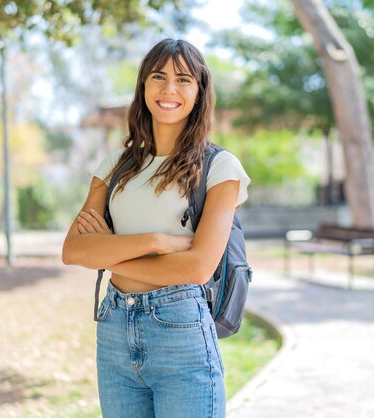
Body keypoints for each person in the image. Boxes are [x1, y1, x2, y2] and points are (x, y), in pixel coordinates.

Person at [62, 39, 251, 418]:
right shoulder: (115, 165)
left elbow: (197, 267)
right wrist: (157, 241)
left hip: (180, 326)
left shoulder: (220, 167)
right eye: (158, 76)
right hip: (114, 325)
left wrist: (110, 252)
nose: (169, 89)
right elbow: (73, 251)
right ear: (143, 86)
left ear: (199, 92)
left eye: (183, 79)